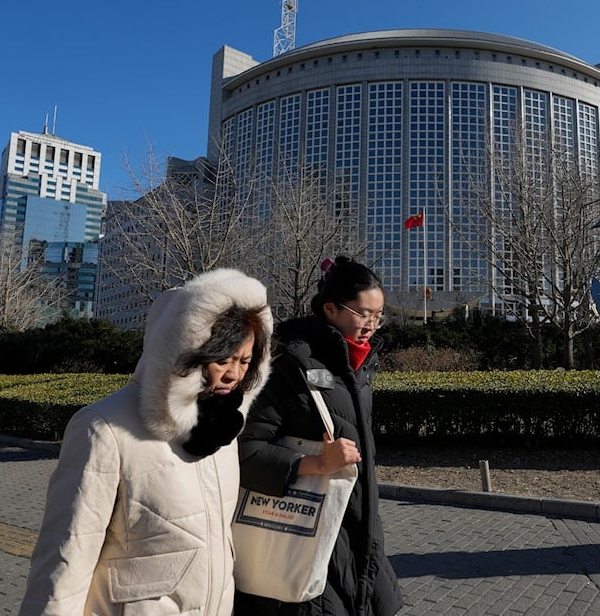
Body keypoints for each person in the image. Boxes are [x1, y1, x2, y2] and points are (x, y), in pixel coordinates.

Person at [20, 268, 273, 615]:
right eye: (222, 360)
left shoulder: (222, 428)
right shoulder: (103, 427)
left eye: (245, 361)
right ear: (183, 350)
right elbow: (67, 552)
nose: (234, 374)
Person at [235, 255, 403, 616]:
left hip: (358, 531)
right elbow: (245, 453)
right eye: (363, 314)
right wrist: (314, 463)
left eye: (379, 316)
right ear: (330, 309)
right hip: (302, 539)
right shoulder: (291, 365)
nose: (373, 325)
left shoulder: (360, 366)